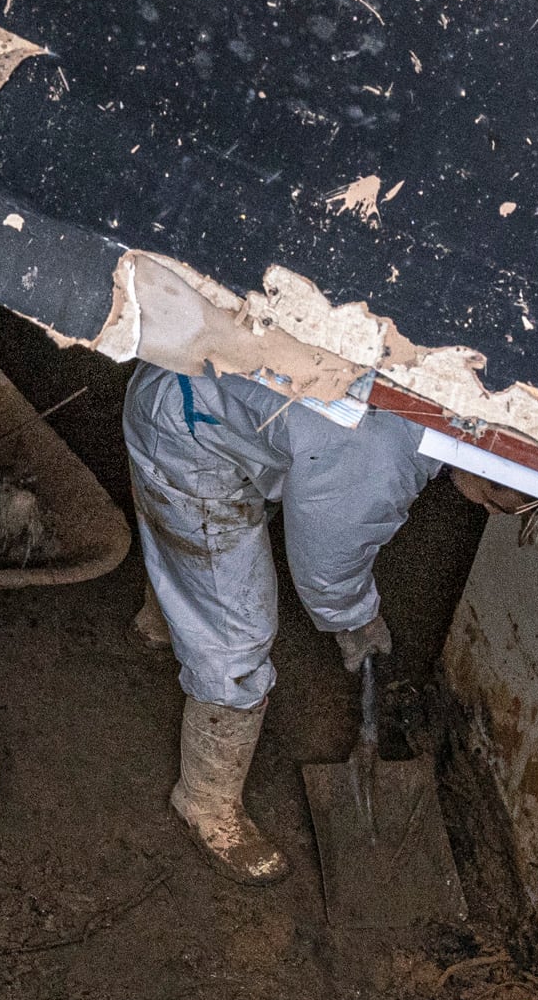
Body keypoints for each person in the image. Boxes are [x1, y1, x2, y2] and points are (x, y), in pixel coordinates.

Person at [123, 365, 439, 879]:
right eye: (514, 499)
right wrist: (356, 617)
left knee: (202, 560)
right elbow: (326, 568)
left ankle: (158, 624)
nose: (513, 510)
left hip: (197, 387)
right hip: (187, 434)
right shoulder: (382, 458)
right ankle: (206, 803)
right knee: (236, 637)